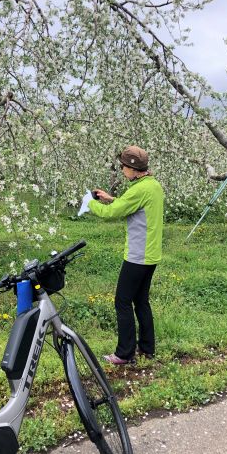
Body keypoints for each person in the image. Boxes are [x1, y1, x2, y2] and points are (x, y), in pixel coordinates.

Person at [88, 145, 164, 365]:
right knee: (141, 301)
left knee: (122, 301)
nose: (121, 169)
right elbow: (131, 205)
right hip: (151, 255)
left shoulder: (139, 189)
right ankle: (147, 348)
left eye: (123, 166)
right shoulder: (152, 185)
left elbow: (111, 214)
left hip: (137, 256)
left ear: (132, 168)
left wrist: (90, 203)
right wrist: (111, 198)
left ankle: (124, 353)